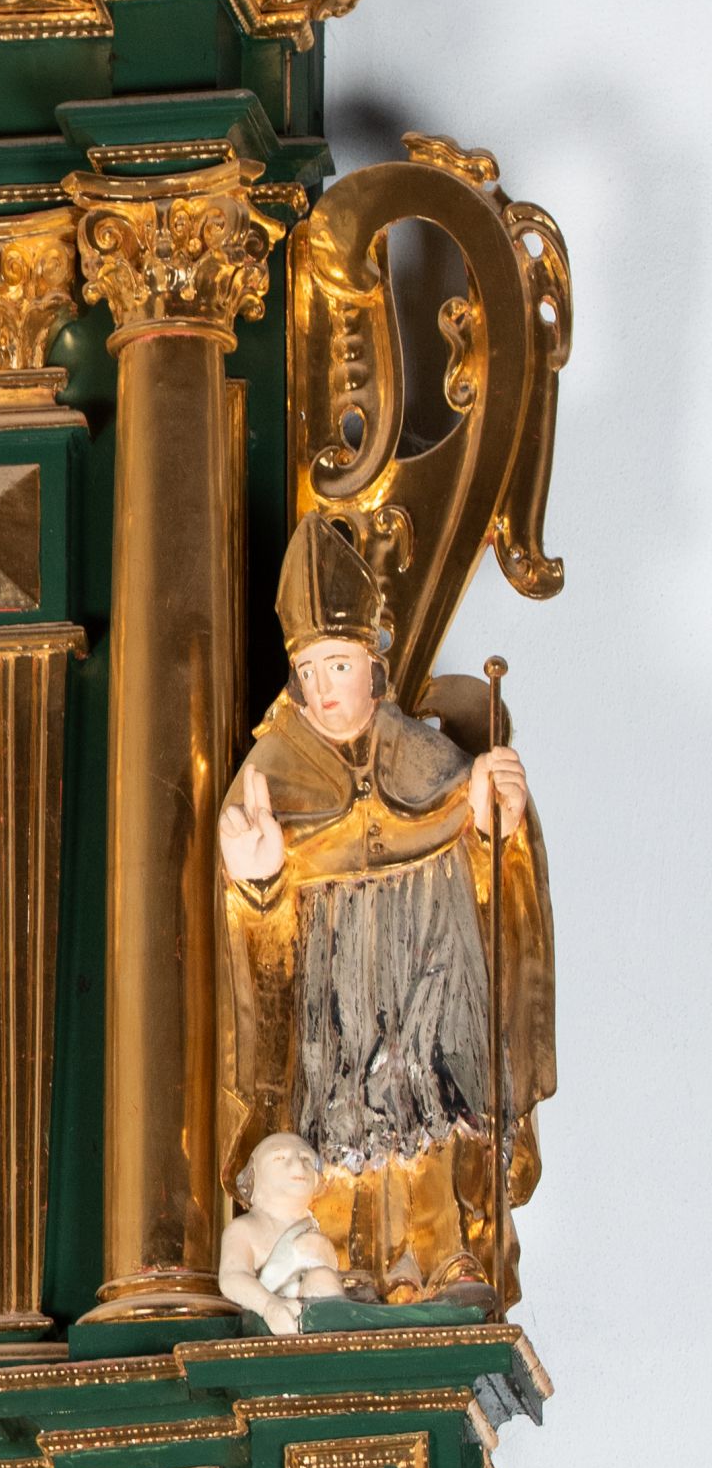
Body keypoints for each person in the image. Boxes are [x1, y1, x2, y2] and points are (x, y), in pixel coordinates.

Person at [215, 514, 553, 1302]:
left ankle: (442, 1257)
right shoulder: (275, 769)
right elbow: (254, 931)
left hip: (424, 975)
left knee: (425, 1098)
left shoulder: (424, 756)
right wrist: (258, 882)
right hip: (333, 999)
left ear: (375, 664)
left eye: (338, 664)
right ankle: (340, 1268)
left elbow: (482, 859)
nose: (323, 689)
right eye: (308, 670)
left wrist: (494, 823)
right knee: (339, 1118)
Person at [218, 1134, 355, 1337]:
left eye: (306, 1158)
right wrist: (269, 1305)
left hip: (321, 1328)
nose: (298, 1165)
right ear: (254, 1175)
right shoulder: (244, 1228)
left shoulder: (316, 1228)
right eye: (280, 1158)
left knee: (322, 1278)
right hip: (270, 1330)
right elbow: (232, 1277)